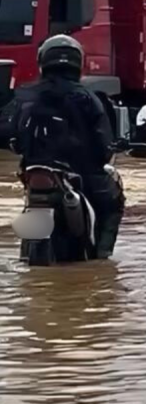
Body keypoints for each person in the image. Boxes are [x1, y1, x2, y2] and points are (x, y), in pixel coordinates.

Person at [2, 35, 125, 259]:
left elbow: (7, 133)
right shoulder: (89, 98)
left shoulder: (24, 96)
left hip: (33, 174)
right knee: (113, 201)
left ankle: (25, 254)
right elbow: (103, 147)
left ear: (43, 63)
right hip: (81, 176)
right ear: (78, 63)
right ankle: (101, 257)